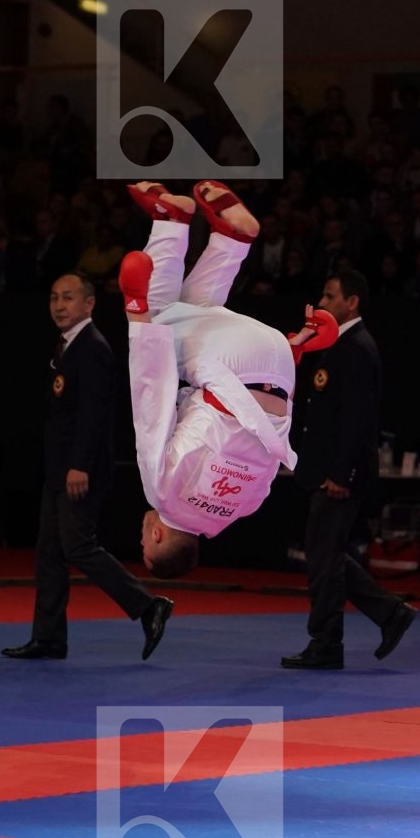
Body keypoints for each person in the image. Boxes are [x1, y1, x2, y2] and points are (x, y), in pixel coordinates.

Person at [119, 180, 338, 579]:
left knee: (193, 309)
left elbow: (262, 436)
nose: (140, 536)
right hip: (231, 365)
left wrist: (295, 352)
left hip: (276, 368)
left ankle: (230, 239)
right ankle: (172, 220)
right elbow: (150, 405)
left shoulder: (246, 507)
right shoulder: (162, 496)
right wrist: (136, 313)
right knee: (162, 316)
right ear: (156, 537)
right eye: (143, 544)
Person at [4, 273, 174, 661]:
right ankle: (48, 638)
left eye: (68, 298)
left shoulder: (93, 348)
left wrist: (80, 465)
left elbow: (94, 415)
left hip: (81, 469)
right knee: (49, 552)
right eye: (53, 297)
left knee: (78, 546)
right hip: (59, 467)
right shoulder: (67, 346)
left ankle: (148, 607)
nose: (59, 305)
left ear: (89, 304)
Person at [283, 272, 416, 670]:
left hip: (341, 473)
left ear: (352, 302)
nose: (321, 301)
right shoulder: (336, 344)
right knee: (327, 553)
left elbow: (358, 420)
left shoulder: (358, 348)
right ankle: (390, 613)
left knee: (324, 557)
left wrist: (342, 473)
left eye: (329, 295)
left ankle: (326, 642)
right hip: (326, 468)